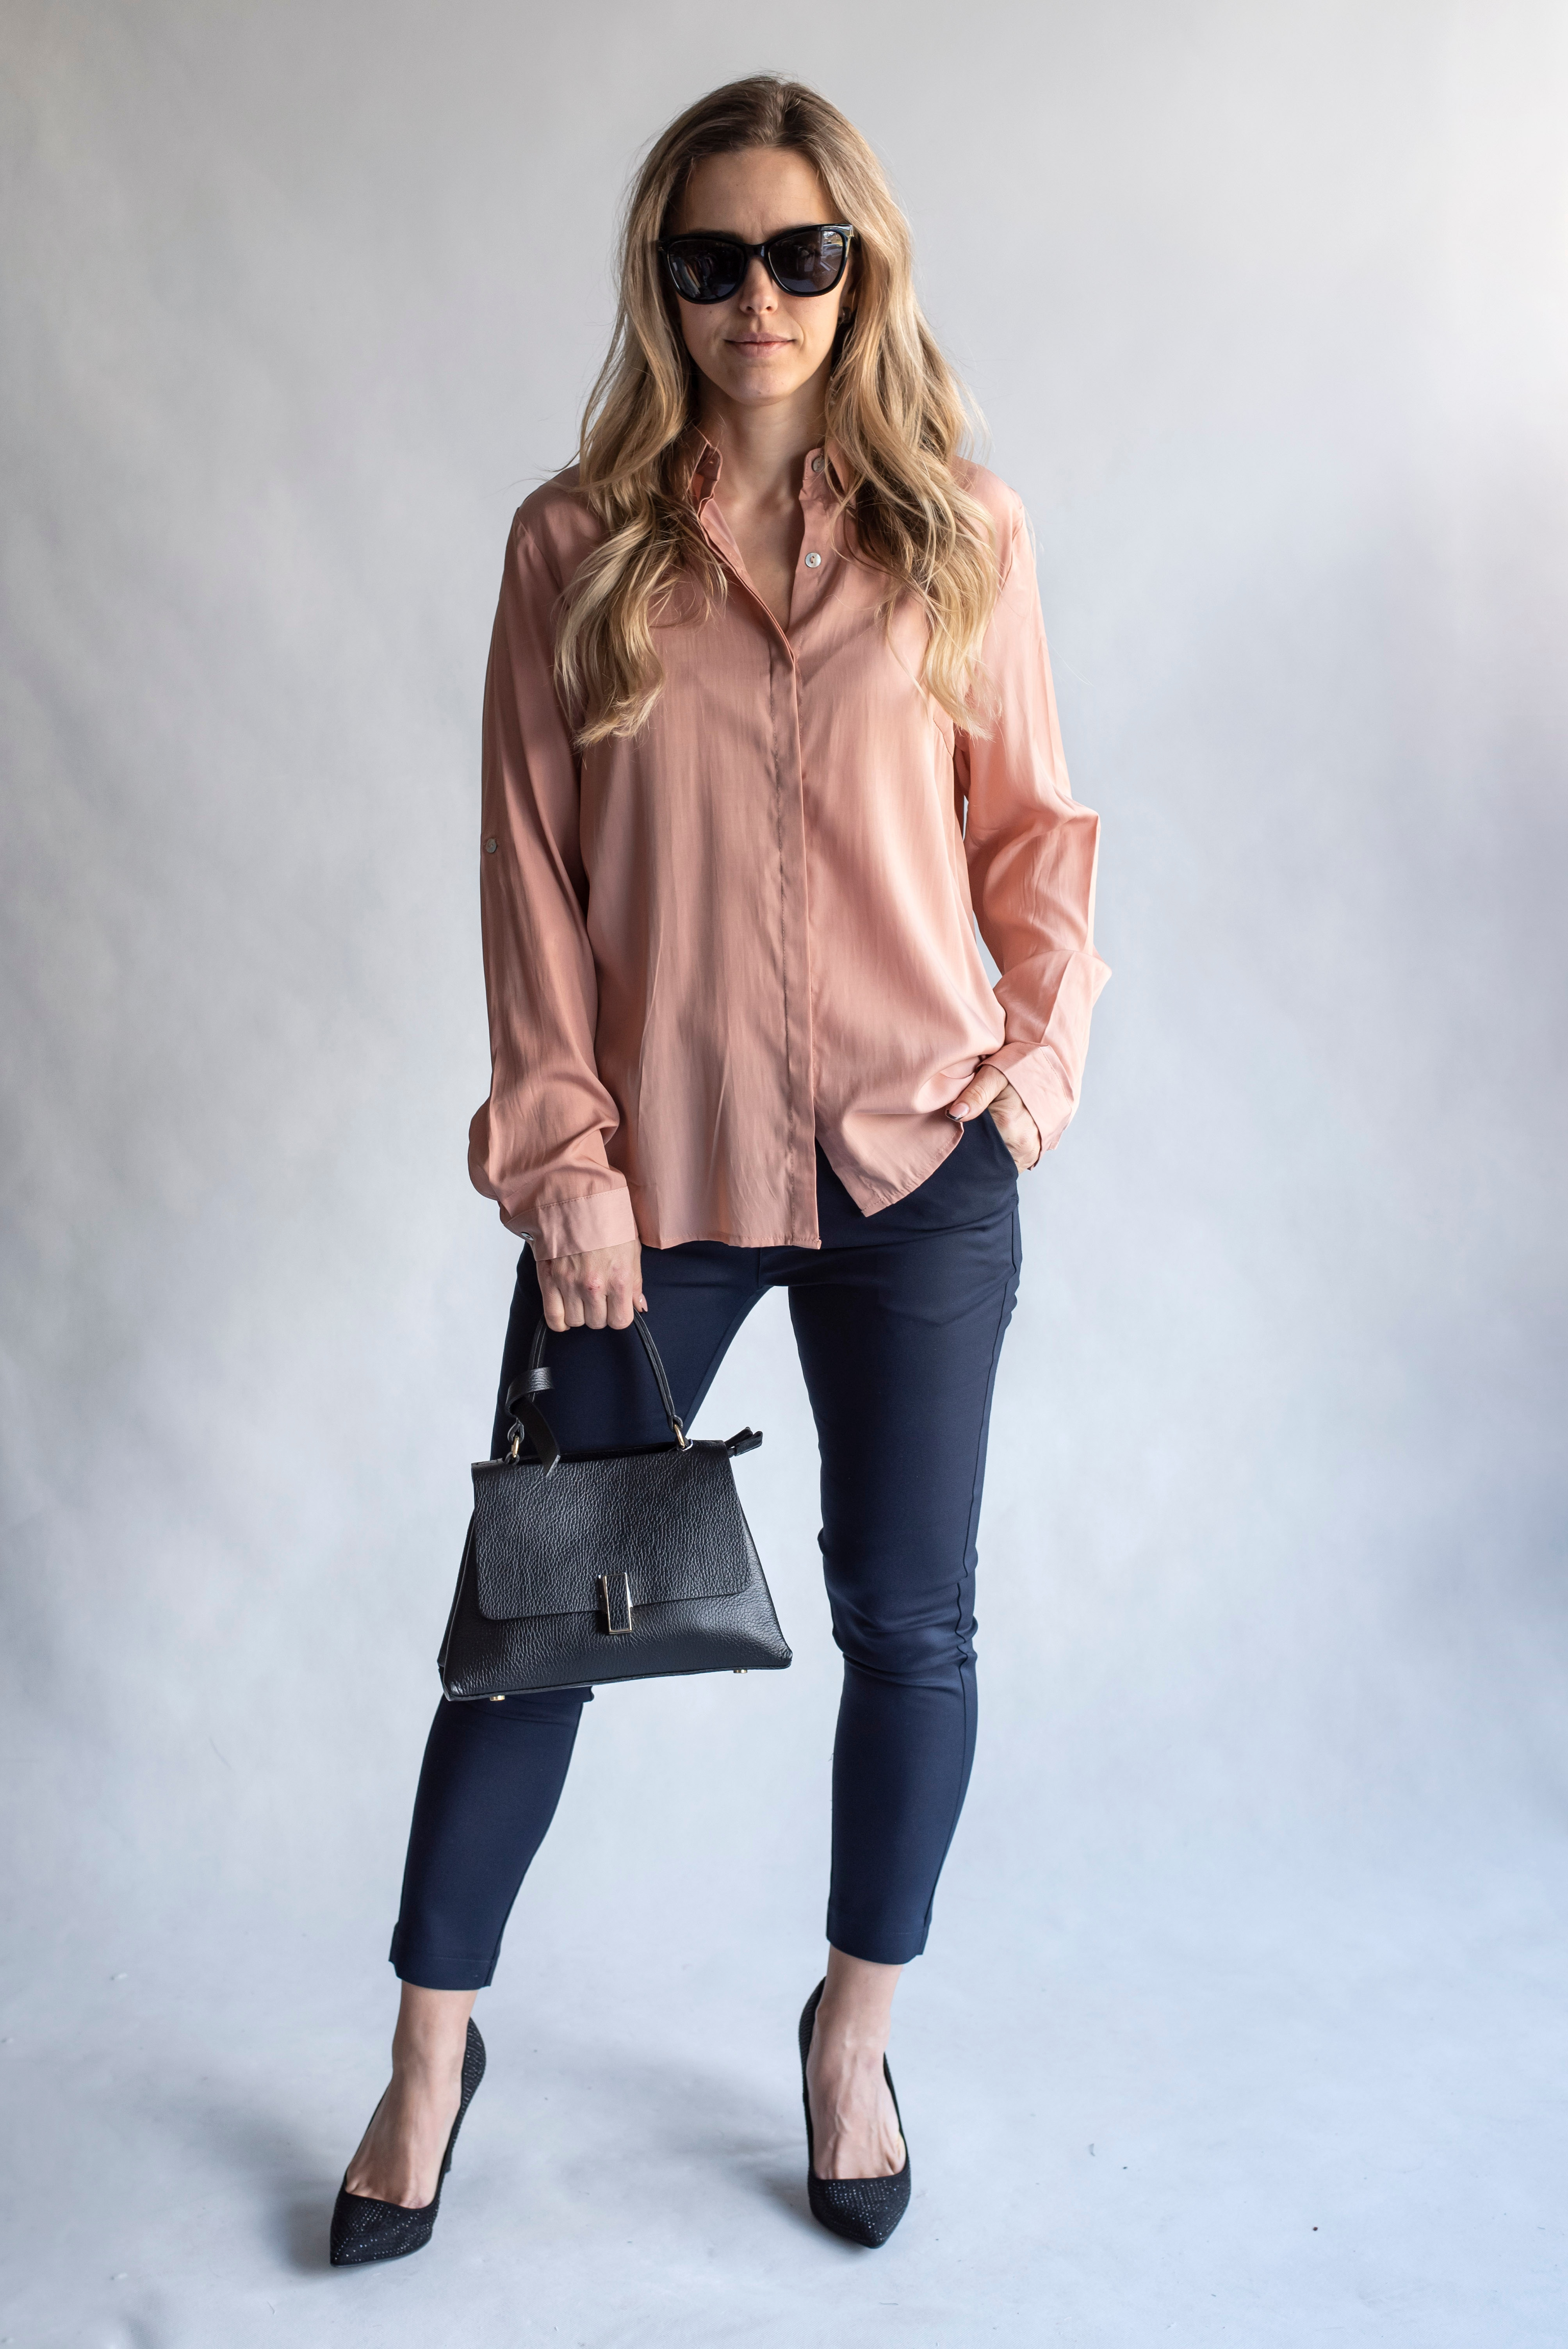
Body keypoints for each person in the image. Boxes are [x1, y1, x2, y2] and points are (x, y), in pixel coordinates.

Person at [330, 72, 1107, 2264]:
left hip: (917, 1172)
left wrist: (1033, 1073)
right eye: (709, 259)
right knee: (538, 1629)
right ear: (659, 283)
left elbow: (1038, 843)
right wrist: (560, 1161)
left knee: (912, 1620)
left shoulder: (964, 535)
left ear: (860, 270)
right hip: (647, 1187)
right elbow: (529, 885)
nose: (756, 296)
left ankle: (854, 2033)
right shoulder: (570, 548)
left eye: (798, 253)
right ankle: (426, 2058)